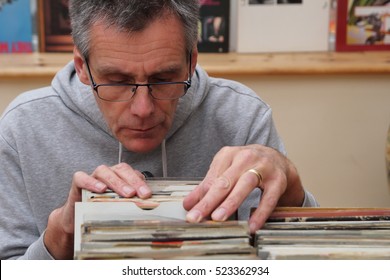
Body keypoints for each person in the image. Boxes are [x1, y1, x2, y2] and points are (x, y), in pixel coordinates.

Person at [0, 0, 318, 260]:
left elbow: (299, 260)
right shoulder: (22, 128)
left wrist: (291, 189)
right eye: (117, 81)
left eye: (164, 78)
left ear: (191, 61)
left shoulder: (242, 115)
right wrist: (59, 237)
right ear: (83, 67)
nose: (143, 109)